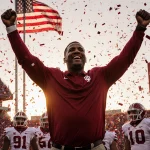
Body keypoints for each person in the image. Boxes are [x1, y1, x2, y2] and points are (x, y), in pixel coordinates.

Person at [1, 9, 150, 150]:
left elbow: (124, 59)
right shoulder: (52, 77)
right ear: (64, 58)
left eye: (80, 50)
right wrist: (12, 30)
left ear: (85, 57)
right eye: (71, 50)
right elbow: (26, 60)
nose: (76, 51)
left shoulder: (100, 76)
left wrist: (140, 29)